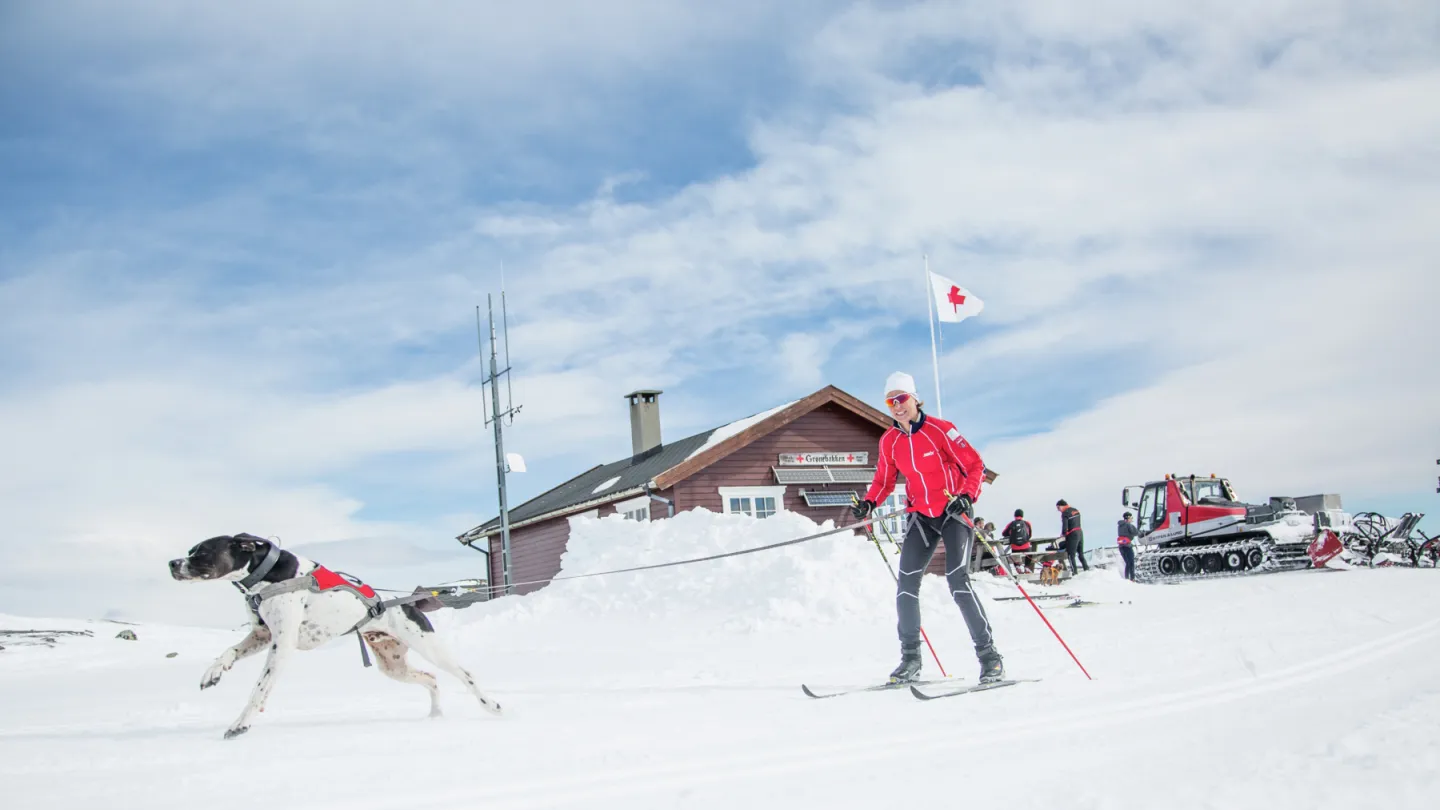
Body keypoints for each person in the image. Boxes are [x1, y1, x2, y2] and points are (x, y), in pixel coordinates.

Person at [851, 371, 1004, 684]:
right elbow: (883, 481)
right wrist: (869, 503)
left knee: (957, 581)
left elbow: (975, 465)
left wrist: (966, 495)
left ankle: (990, 658)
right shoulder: (890, 441)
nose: (896, 405)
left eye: (901, 398)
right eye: (890, 401)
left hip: (951, 511)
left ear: (914, 398)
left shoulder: (941, 430)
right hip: (921, 516)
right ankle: (910, 660)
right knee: (906, 585)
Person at [1056, 499, 1088, 575]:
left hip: (1072, 534)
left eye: (1058, 508)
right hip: (1080, 532)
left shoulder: (1065, 513)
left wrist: (1063, 534)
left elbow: (1065, 525)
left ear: (1062, 506)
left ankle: (1074, 572)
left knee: (1071, 554)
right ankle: (1086, 569)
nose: (1058, 510)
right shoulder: (1076, 510)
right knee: (1080, 553)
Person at [1117, 511, 1138, 580]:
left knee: (1127, 564)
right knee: (1131, 563)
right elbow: (1135, 533)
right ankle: (1132, 579)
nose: (1132, 519)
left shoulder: (1119, 526)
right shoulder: (1128, 525)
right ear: (1128, 517)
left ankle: (1126, 579)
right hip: (1127, 547)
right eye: (1131, 517)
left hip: (1121, 547)